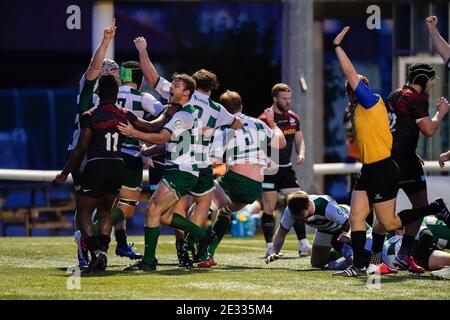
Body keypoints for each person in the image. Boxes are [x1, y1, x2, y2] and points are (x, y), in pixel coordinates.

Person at [331, 26, 450, 277]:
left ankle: (432, 209)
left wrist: (338, 48)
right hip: (370, 168)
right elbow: (394, 130)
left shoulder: (372, 100)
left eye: (356, 86)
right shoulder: (358, 109)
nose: (353, 88)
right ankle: (361, 266)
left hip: (384, 168)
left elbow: (351, 74)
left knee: (390, 223)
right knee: (356, 217)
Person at [133, 37, 243, 264]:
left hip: (180, 160)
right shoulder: (217, 108)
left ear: (192, 85)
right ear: (212, 88)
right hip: (203, 164)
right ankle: (200, 251)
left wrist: (143, 51)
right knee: (202, 204)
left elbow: (151, 78)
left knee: (172, 208)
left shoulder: (185, 101)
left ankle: (181, 249)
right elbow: (237, 125)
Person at [117, 73, 216, 271]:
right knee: (161, 215)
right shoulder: (182, 113)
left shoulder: (184, 115)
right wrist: (148, 149)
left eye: (177, 85)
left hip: (181, 170)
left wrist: (133, 133)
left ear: (187, 93)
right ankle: (203, 235)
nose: (171, 88)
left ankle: (148, 262)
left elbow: (162, 137)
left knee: (153, 210)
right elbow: (167, 142)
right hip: (180, 169)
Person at [54, 75, 142, 273]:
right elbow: (150, 127)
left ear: (98, 93)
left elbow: (80, 149)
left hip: (97, 166)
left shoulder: (90, 115)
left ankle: (96, 252)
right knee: (105, 212)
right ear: (116, 93)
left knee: (84, 212)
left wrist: (63, 173)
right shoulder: (124, 113)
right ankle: (102, 251)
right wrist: (168, 116)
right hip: (118, 166)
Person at [195, 90, 286, 267]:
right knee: (225, 212)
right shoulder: (258, 123)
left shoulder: (224, 128)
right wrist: (273, 123)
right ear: (241, 106)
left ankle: (194, 252)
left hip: (236, 180)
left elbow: (213, 160)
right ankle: (209, 254)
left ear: (222, 110)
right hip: (255, 186)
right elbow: (280, 143)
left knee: (199, 207)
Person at [386, 61, 449, 273]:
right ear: (423, 79)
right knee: (418, 206)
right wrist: (441, 112)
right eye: (432, 79)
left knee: (384, 216)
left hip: (391, 159)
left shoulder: (394, 95)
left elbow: (395, 129)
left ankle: (394, 257)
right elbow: (429, 129)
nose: (434, 83)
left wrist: (410, 151)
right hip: (404, 162)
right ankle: (435, 209)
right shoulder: (416, 98)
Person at [66, 19, 118, 268]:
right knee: (88, 207)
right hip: (86, 154)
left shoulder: (114, 100)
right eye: (108, 73)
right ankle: (86, 249)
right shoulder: (89, 93)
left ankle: (99, 250)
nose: (112, 76)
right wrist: (106, 41)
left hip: (106, 154)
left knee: (103, 207)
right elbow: (94, 67)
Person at [258, 83, 311, 258]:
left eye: (290, 98)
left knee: (299, 202)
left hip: (287, 169)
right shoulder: (263, 120)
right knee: (269, 207)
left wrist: (301, 154)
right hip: (269, 171)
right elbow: (257, 146)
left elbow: (299, 140)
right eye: (284, 99)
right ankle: (269, 246)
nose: (288, 102)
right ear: (275, 99)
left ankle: (304, 245)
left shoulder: (293, 118)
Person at [265, 191, 375, 272]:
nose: (301, 218)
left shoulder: (326, 206)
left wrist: (349, 235)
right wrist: (275, 252)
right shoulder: (291, 211)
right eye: (297, 216)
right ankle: (338, 252)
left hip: (345, 225)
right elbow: (281, 233)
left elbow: (351, 223)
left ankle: (349, 254)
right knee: (317, 263)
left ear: (308, 205)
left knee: (367, 249)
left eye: (302, 215)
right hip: (324, 229)